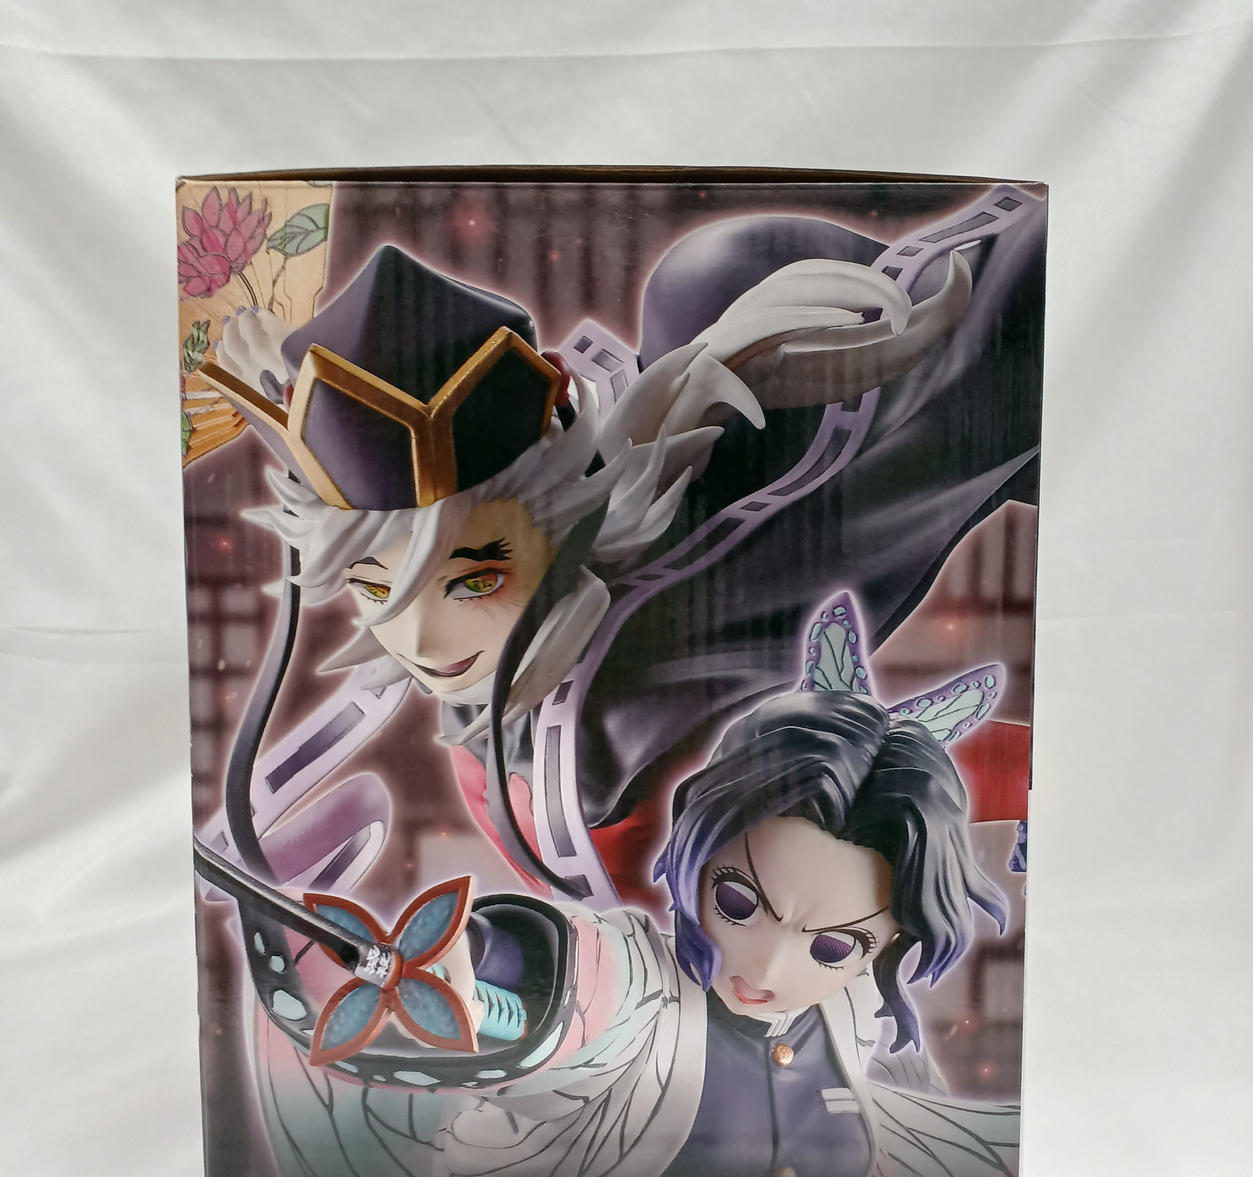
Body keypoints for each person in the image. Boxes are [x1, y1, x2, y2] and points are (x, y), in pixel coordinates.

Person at [198, 186, 1044, 914]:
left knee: (707, 276)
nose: (419, 640)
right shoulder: (500, 713)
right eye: (376, 588)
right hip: (633, 948)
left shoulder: (632, 709)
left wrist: (1037, 782)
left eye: (475, 581)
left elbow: (868, 771)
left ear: (557, 526)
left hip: (726, 930)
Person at [255, 689, 1017, 1177]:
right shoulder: (639, 987)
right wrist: (478, 958)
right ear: (699, 848)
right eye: (740, 901)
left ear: (885, 946)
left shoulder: (855, 1019)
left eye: (832, 947)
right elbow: (569, 972)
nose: (767, 965)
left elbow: (924, 1160)